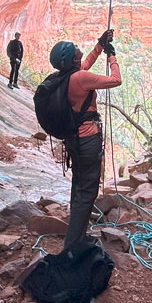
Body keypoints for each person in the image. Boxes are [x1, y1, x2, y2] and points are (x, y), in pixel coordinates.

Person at [48, 29, 121, 250]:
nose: (78, 48)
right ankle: (74, 244)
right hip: (87, 140)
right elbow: (115, 80)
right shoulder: (80, 77)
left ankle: (76, 235)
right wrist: (112, 57)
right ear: (72, 58)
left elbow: (85, 62)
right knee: (87, 192)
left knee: (79, 186)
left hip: (74, 140)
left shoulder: (67, 75)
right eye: (75, 49)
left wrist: (100, 45)